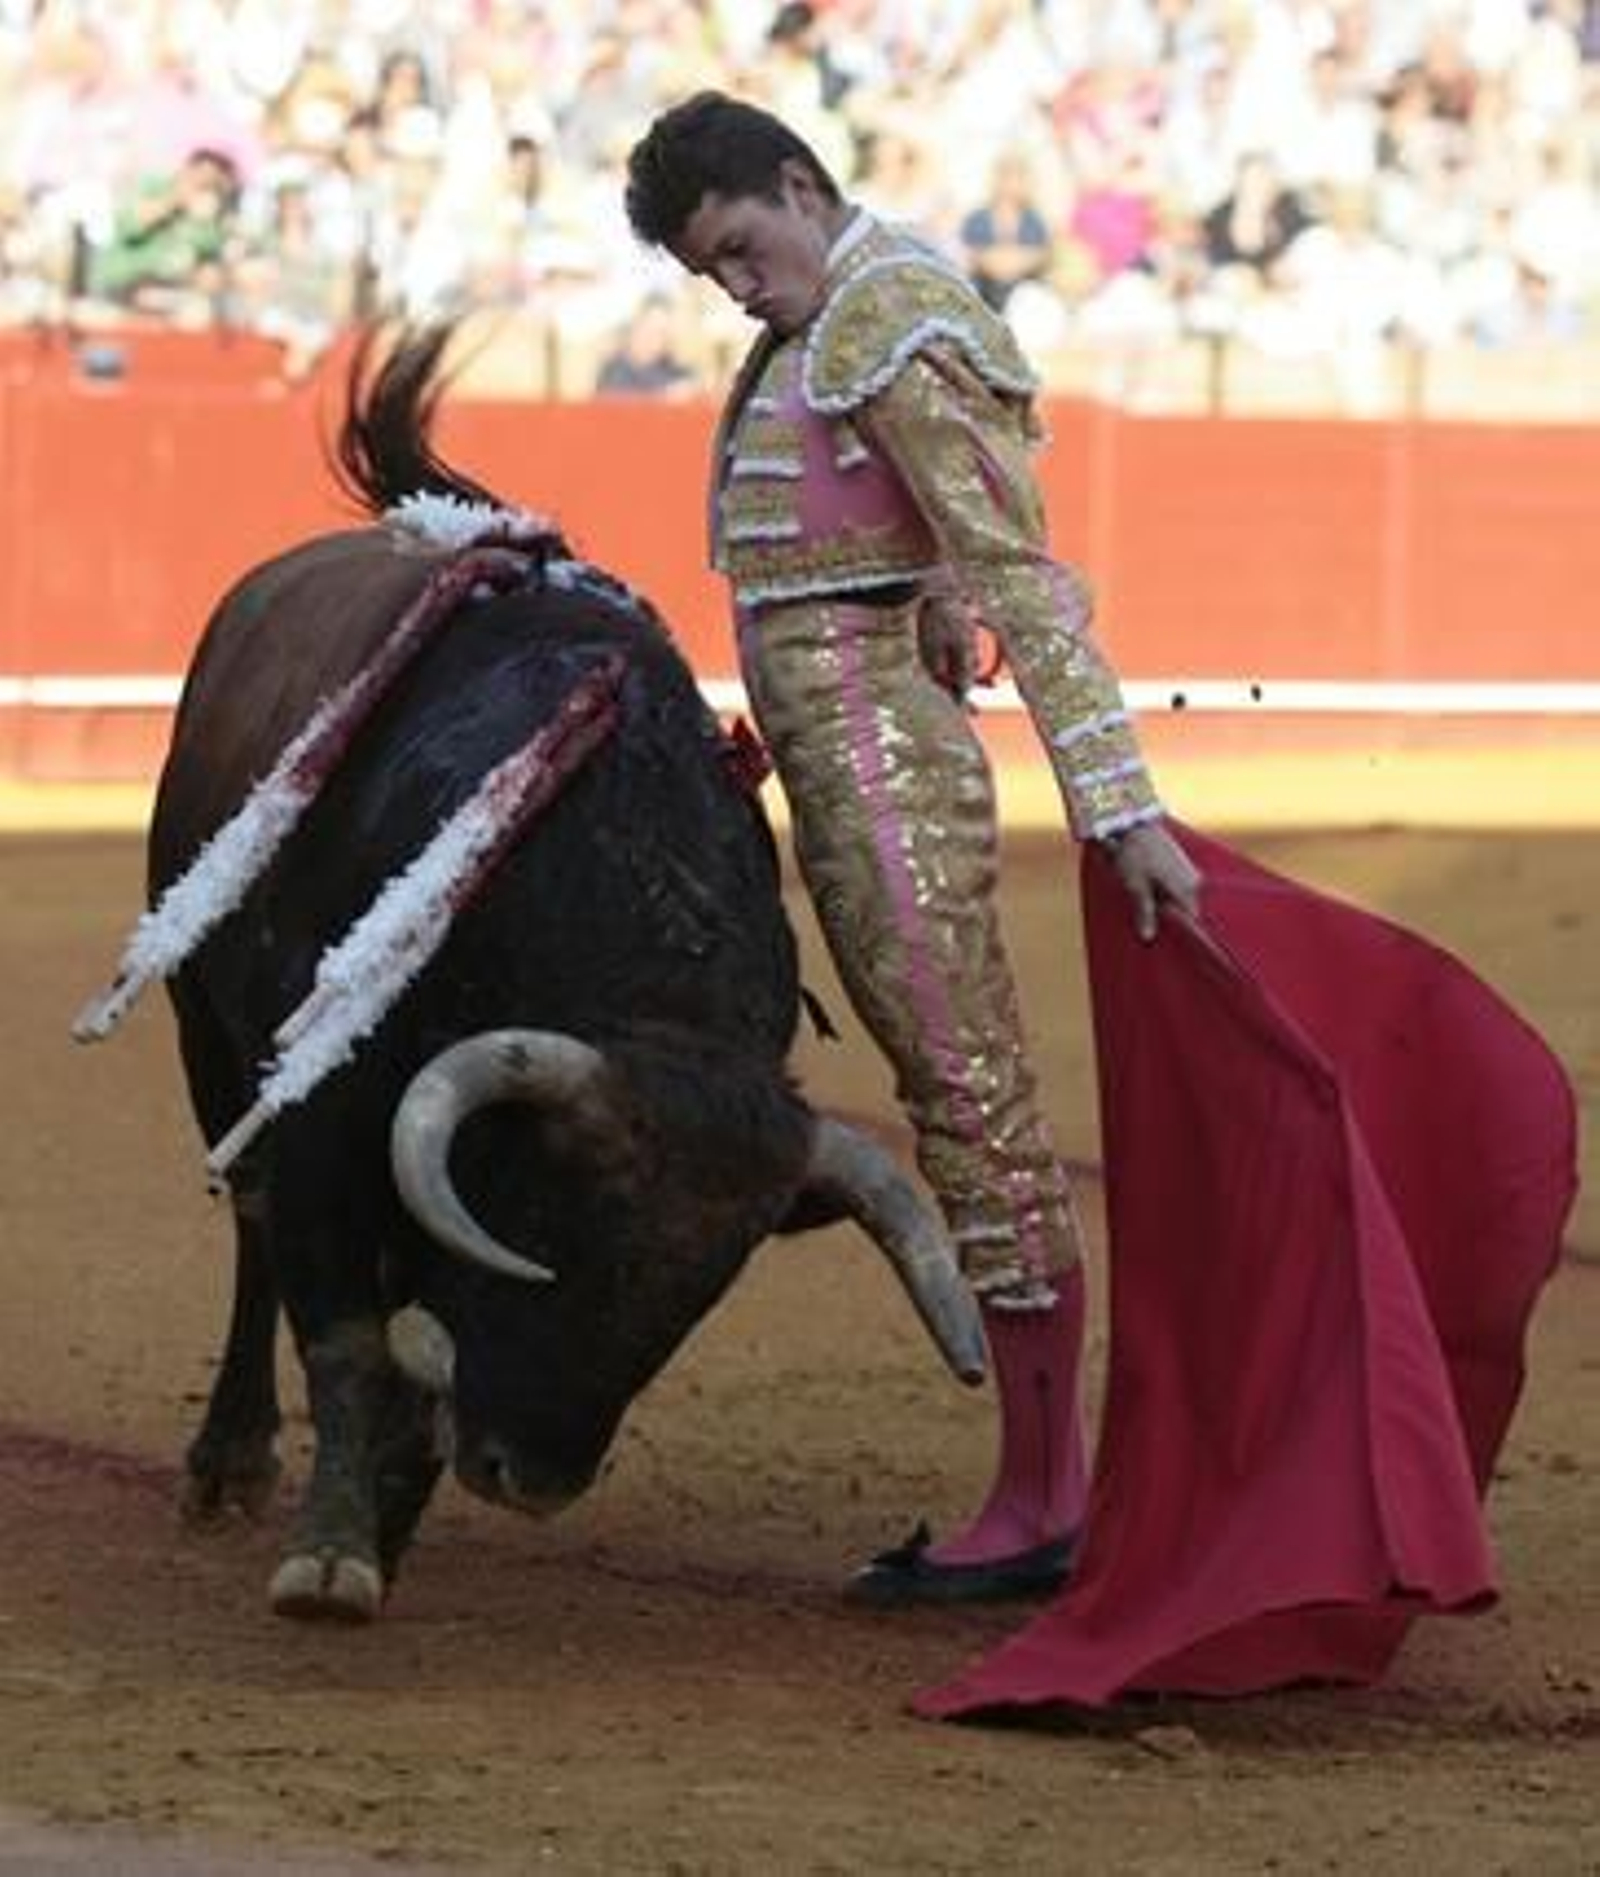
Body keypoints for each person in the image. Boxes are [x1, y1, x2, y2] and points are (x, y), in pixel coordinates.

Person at [624, 91, 1200, 1606]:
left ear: (803, 187)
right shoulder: (837, 315)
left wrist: (1118, 805)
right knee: (961, 1092)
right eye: (713, 275)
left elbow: (1021, 563)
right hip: (841, 764)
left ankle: (1044, 1499)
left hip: (886, 772)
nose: (739, 288)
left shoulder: (892, 314)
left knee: (970, 1096)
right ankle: (1045, 1485)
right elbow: (926, 540)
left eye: (743, 249)